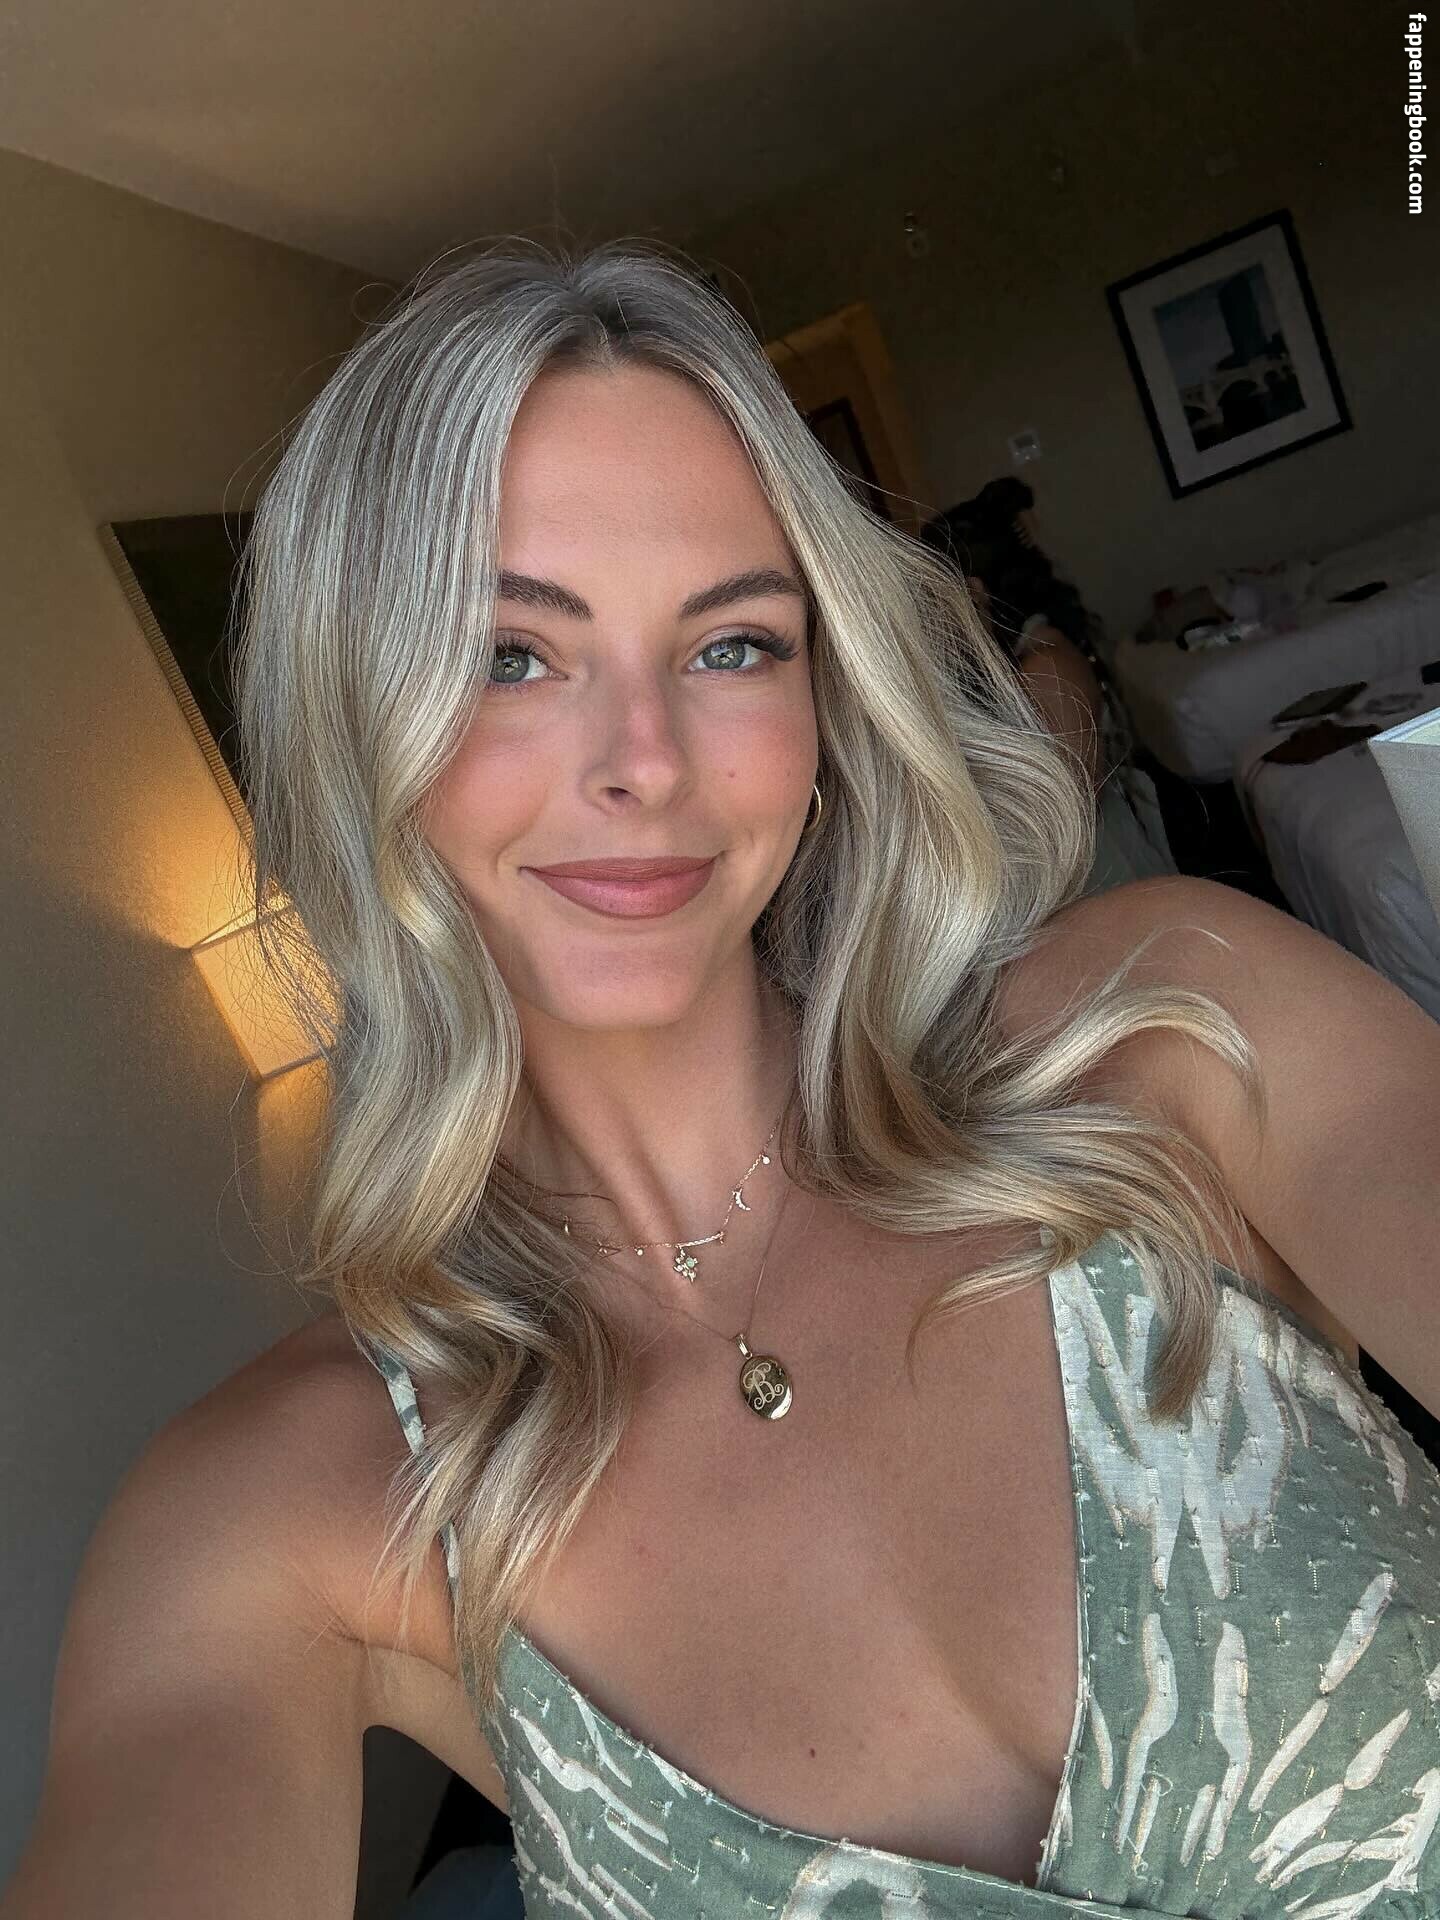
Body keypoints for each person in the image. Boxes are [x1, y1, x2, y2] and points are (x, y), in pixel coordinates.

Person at [6, 241, 1438, 1920]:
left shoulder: (1176, 1032)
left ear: (825, 697)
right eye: (510, 655)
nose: (647, 762)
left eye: (734, 645)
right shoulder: (285, 1509)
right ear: (354, 725)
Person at [920, 481, 1178, 896]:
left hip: (1100, 879)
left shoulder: (1047, 666)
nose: (931, 623)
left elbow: (1066, 819)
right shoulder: (1023, 660)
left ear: (974, 592)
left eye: (933, 600)